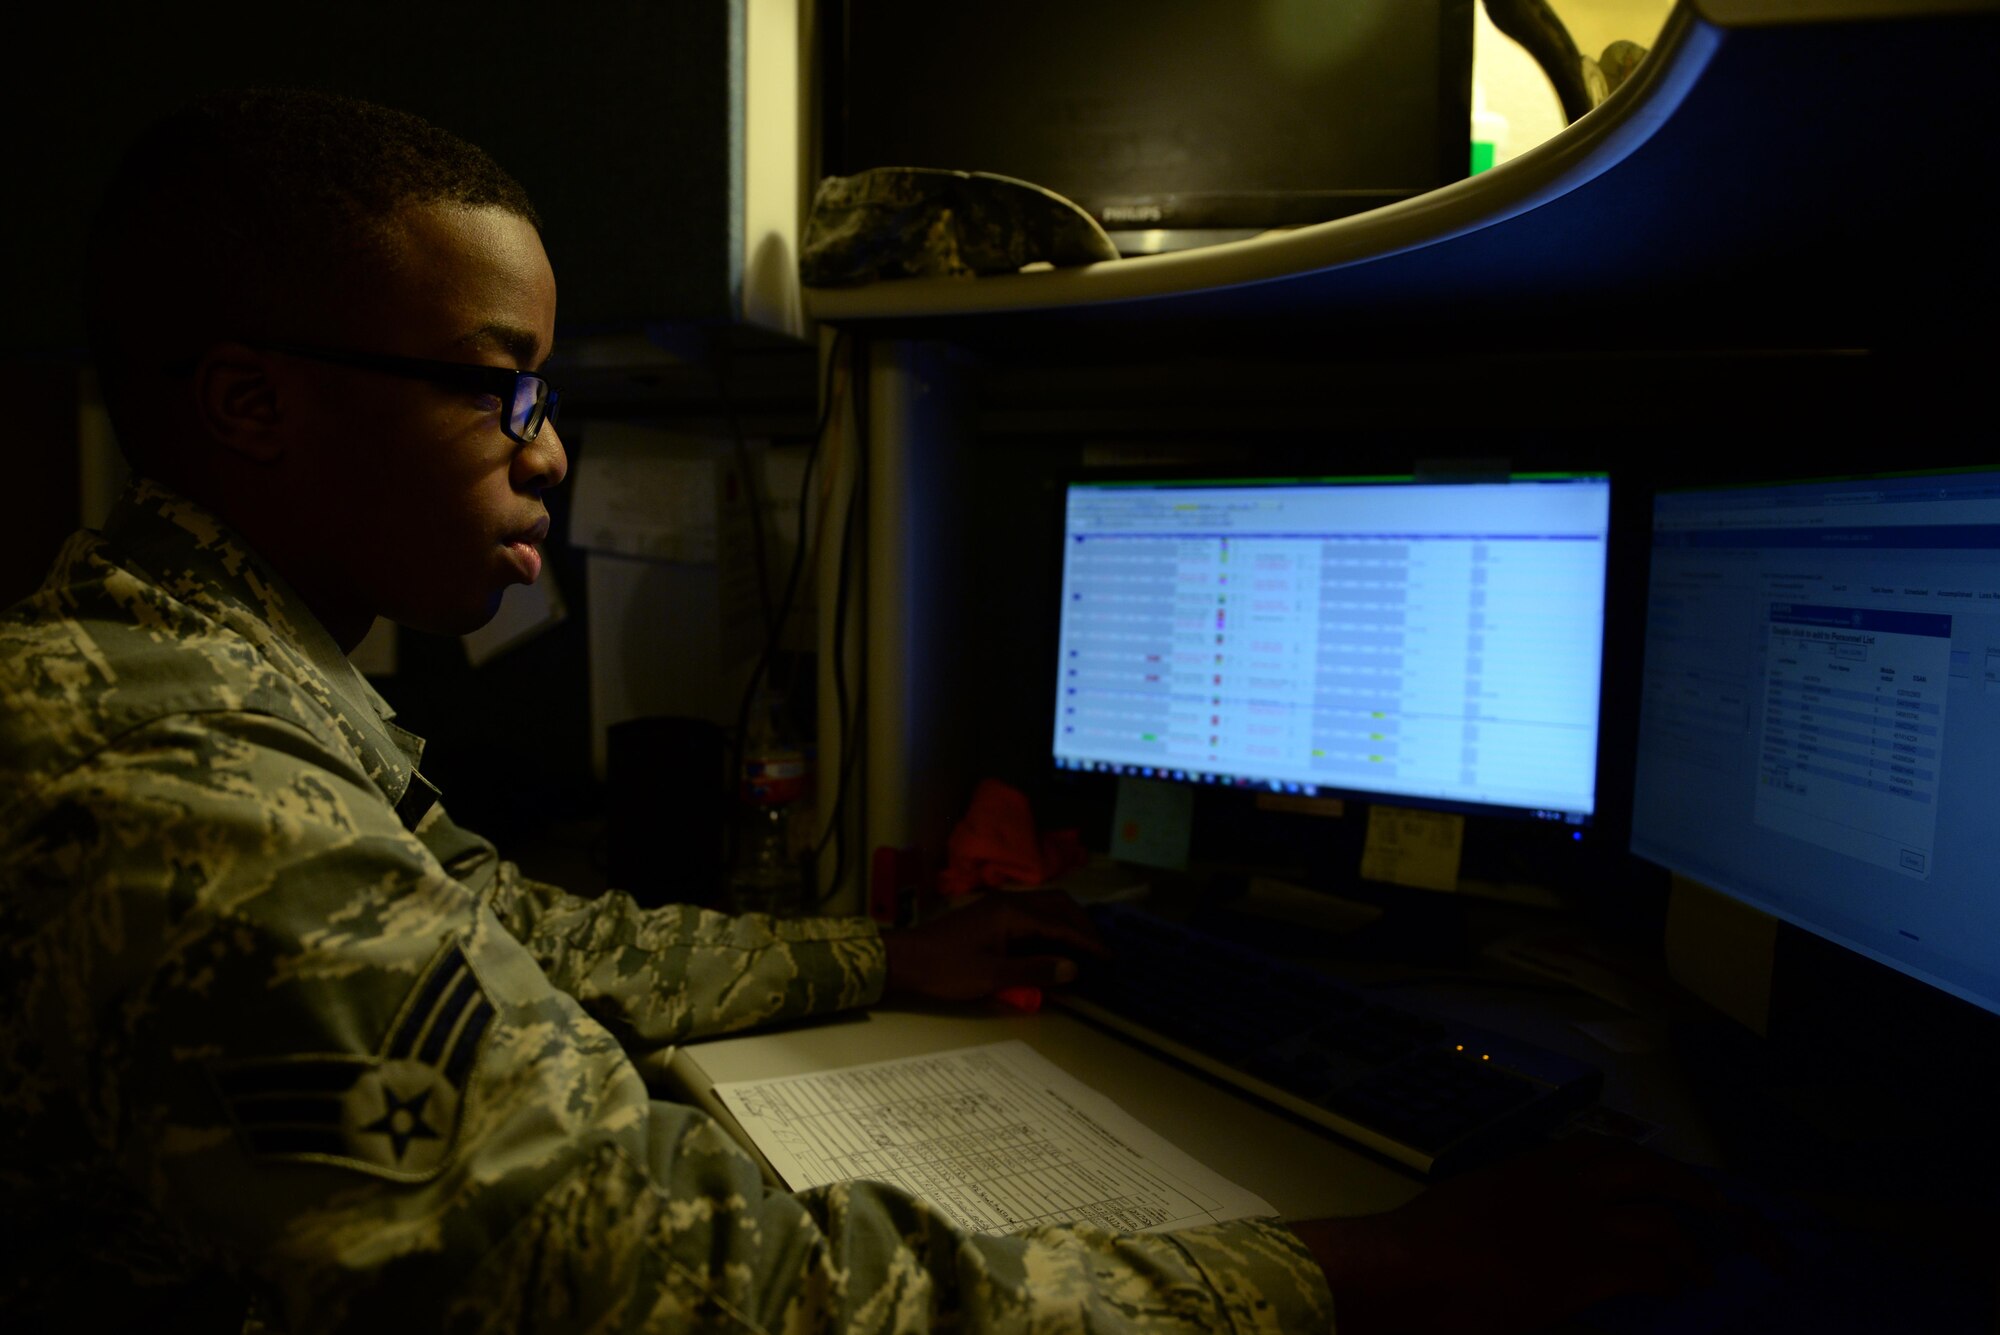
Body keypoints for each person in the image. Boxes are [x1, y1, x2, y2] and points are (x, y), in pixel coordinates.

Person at [1, 87, 1741, 1334]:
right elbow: (666, 1288)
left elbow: (508, 930)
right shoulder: (181, 782)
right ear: (249, 403)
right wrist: (1379, 1267)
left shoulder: (203, 666)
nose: (547, 446)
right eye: (497, 385)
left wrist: (870, 960)